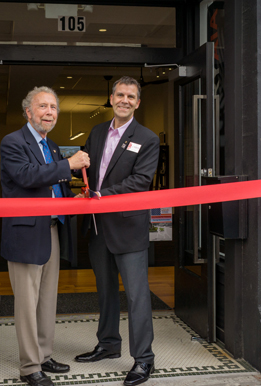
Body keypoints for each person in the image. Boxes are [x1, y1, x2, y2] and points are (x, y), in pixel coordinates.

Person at [0, 86, 90, 386]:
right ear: (29, 112)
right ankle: (29, 367)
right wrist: (69, 164)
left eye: (53, 107)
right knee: (27, 304)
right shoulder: (12, 142)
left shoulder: (50, 146)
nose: (49, 112)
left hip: (52, 229)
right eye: (43, 107)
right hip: (25, 233)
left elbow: (55, 184)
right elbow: (27, 177)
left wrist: (71, 200)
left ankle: (44, 354)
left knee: (47, 300)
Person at [74, 76, 160, 386]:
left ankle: (143, 359)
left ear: (138, 102)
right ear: (111, 98)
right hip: (98, 226)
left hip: (128, 227)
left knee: (137, 297)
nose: (124, 100)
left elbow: (141, 181)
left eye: (131, 96)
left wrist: (102, 195)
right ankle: (108, 344)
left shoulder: (147, 138)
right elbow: (90, 175)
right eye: (120, 94)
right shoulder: (96, 133)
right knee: (106, 292)